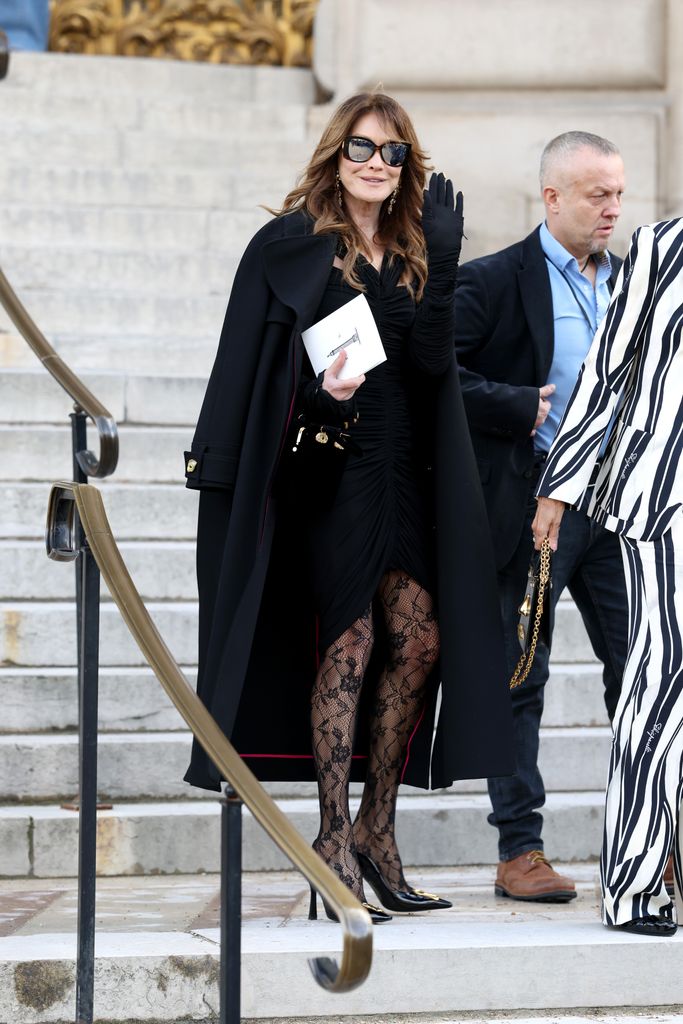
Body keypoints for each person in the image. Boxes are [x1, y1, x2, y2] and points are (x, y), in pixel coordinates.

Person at [183, 92, 514, 921]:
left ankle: (376, 829)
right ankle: (330, 841)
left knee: (420, 639)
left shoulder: (412, 248)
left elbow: (434, 366)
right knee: (352, 641)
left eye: (395, 153)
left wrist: (441, 263)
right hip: (329, 478)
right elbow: (250, 374)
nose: (378, 164)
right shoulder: (291, 246)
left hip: (406, 473)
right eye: (364, 148)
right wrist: (323, 401)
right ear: (337, 153)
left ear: (409, 167)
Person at [454, 131, 629, 902]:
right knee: (519, 677)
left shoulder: (635, 285)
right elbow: (439, 378)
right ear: (551, 197)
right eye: (597, 195)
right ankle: (518, 851)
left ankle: (646, 842)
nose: (612, 209)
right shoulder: (493, 281)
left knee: (642, 678)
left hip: (620, 512)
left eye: (618, 194)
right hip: (530, 512)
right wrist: (517, 406)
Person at [533, 217, 683, 936]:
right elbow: (605, 371)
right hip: (664, 503)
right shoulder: (663, 246)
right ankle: (633, 884)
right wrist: (560, 487)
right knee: (656, 691)